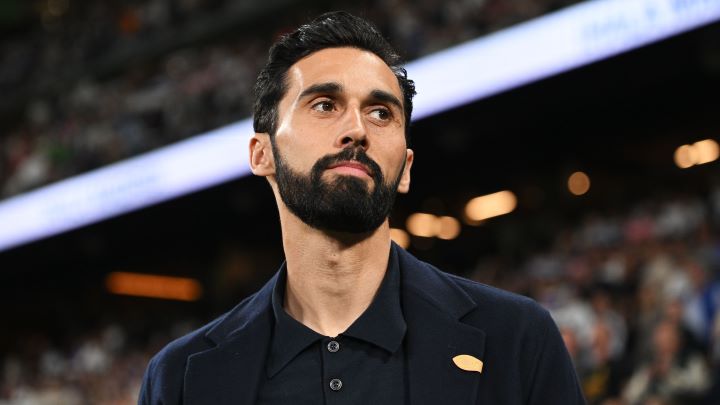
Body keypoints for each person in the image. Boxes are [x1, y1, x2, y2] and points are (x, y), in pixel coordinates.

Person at [138, 11, 585, 405]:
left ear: (405, 168)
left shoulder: (516, 338)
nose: (357, 129)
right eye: (325, 105)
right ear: (262, 153)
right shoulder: (181, 379)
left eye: (381, 113)